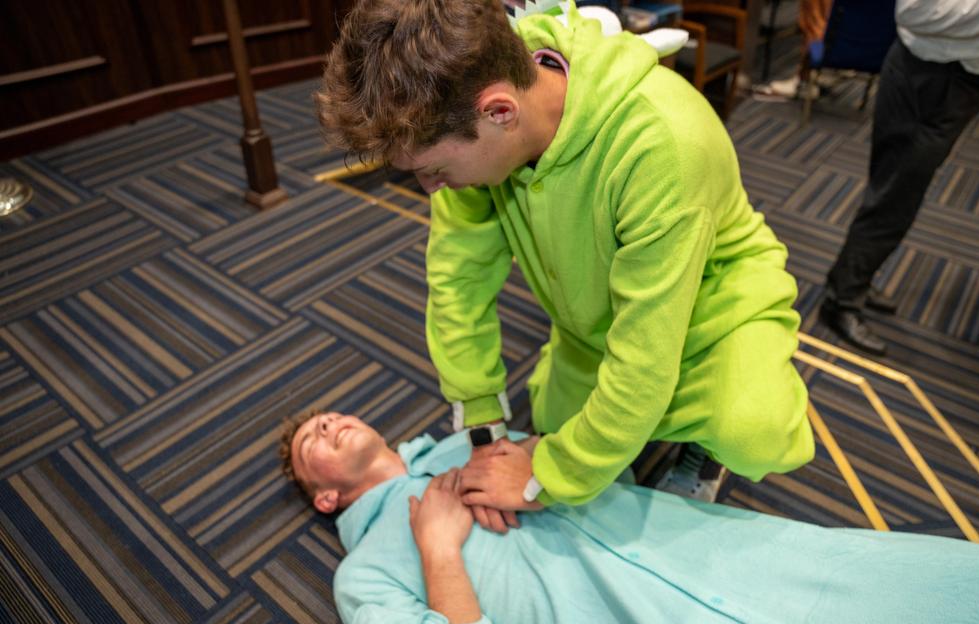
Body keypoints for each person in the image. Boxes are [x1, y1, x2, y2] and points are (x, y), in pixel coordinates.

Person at [316, 0, 815, 521]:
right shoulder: (469, 103)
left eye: (433, 169)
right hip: (592, 316)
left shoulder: (664, 144)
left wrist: (547, 477)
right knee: (556, 423)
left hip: (710, 310)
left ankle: (706, 447)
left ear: (500, 112)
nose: (430, 188)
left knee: (750, 431)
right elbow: (458, 283)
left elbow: (645, 356)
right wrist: (483, 425)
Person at [280, 409, 979, 624]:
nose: (327, 424)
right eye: (311, 440)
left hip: (729, 558)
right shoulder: (364, 575)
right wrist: (440, 550)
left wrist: (540, 461)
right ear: (324, 497)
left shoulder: (465, 442)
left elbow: (592, 462)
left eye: (329, 415)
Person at [821, 0, 979, 355]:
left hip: (960, 80)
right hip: (930, 78)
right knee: (893, 197)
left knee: (898, 195)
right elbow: (914, 12)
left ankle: (852, 280)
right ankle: (840, 301)